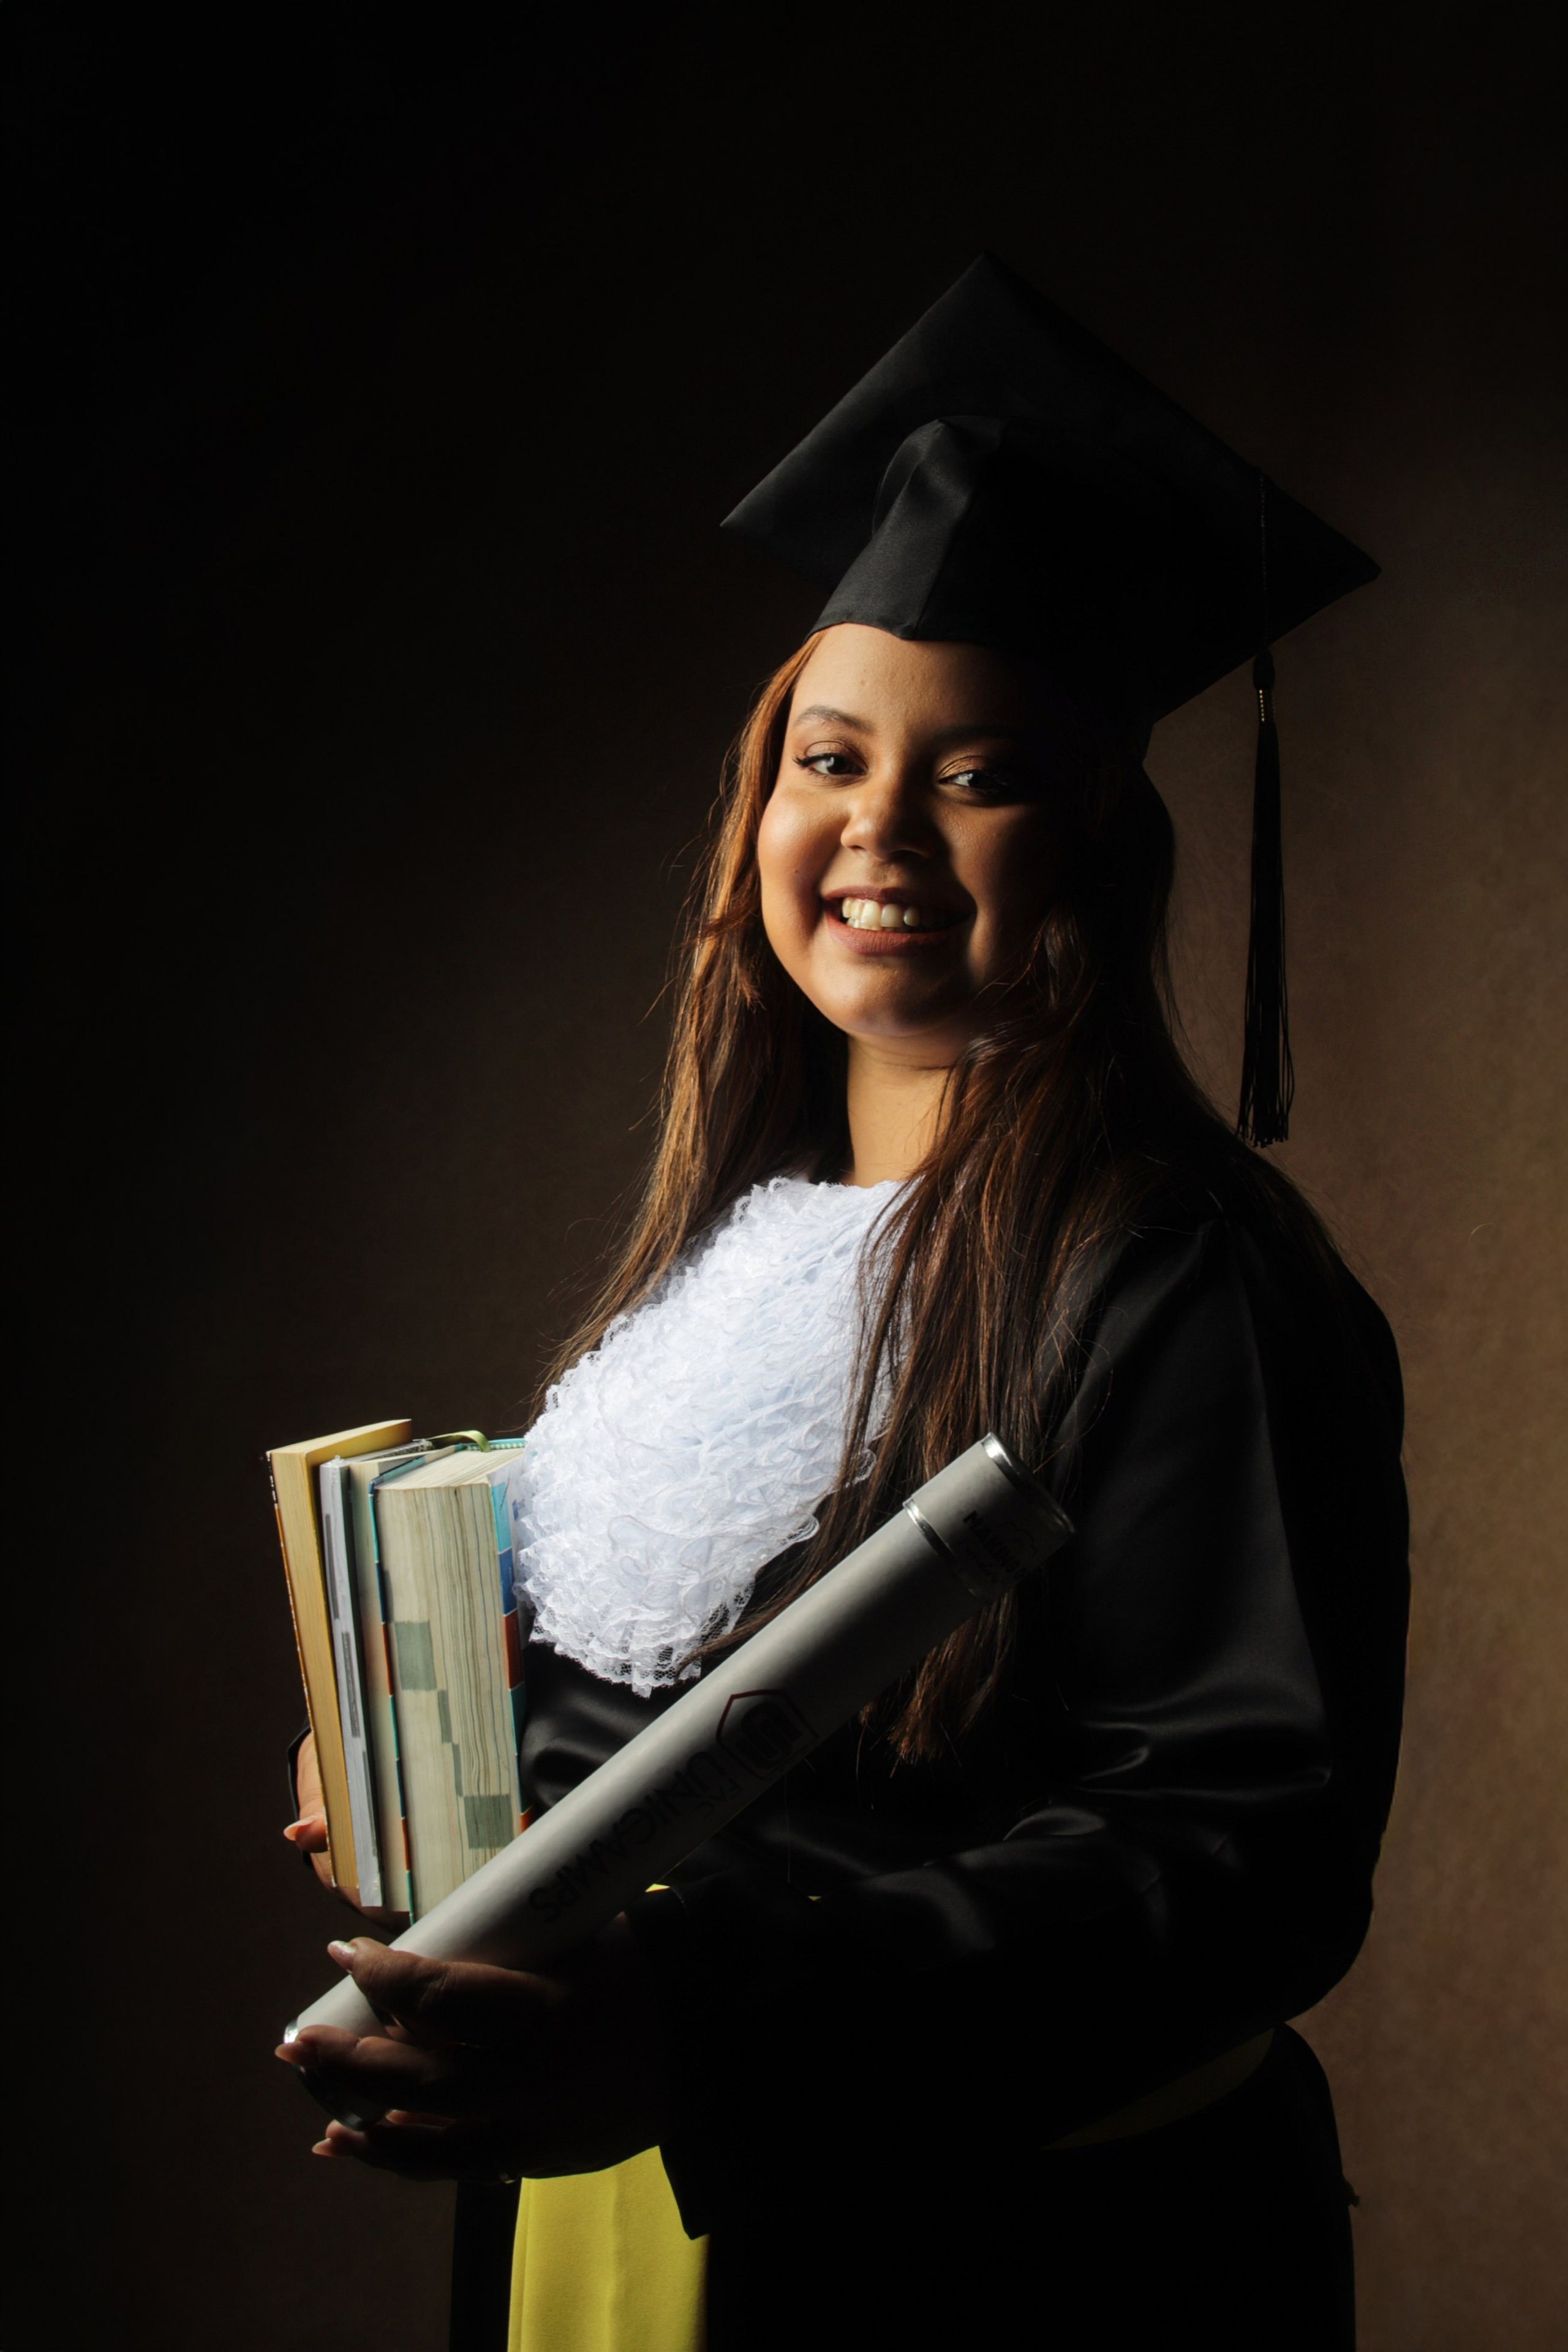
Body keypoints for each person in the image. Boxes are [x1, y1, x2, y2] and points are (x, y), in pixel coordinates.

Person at [279, 258, 1408, 2351]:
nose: (879, 828)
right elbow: (690, 1728)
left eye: (977, 773)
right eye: (829, 756)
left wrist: (697, 2026)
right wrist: (448, 1779)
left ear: (1097, 837)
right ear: (758, 803)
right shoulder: (741, 1238)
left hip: (989, 2250)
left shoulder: (1181, 1272)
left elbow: (1234, 1848)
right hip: (629, 2203)